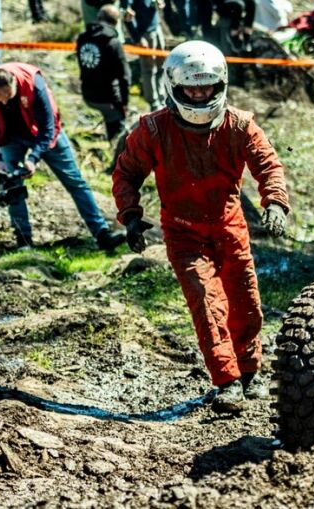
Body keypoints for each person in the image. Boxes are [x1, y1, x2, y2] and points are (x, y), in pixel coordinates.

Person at [110, 41, 290, 413]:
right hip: (182, 233)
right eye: (191, 88)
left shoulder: (240, 125)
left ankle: (251, 371)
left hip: (230, 228)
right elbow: (126, 172)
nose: (198, 95)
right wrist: (130, 216)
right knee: (207, 305)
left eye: (206, 88)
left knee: (247, 305)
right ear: (174, 87)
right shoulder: (153, 129)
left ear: (219, 85)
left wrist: (275, 203)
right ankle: (227, 382)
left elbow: (268, 165)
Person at [0, 63, 124, 251]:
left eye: (8, 96)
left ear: (15, 84)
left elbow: (48, 128)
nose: (4, 102)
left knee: (75, 181)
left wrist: (33, 159)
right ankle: (23, 241)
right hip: (10, 138)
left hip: (45, 135)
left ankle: (102, 234)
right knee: (12, 186)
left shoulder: (34, 84)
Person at [118, 0, 165, 108]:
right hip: (144, 32)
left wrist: (159, 1)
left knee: (161, 64)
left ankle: (163, 95)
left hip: (156, 26)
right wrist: (137, 37)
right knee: (148, 68)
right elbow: (127, 14)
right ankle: (153, 102)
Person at [77, 5, 131, 142]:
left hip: (87, 94)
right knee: (118, 132)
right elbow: (125, 76)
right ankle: (115, 154)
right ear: (116, 22)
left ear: (98, 18)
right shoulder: (113, 44)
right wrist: (124, 103)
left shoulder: (83, 38)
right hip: (108, 98)